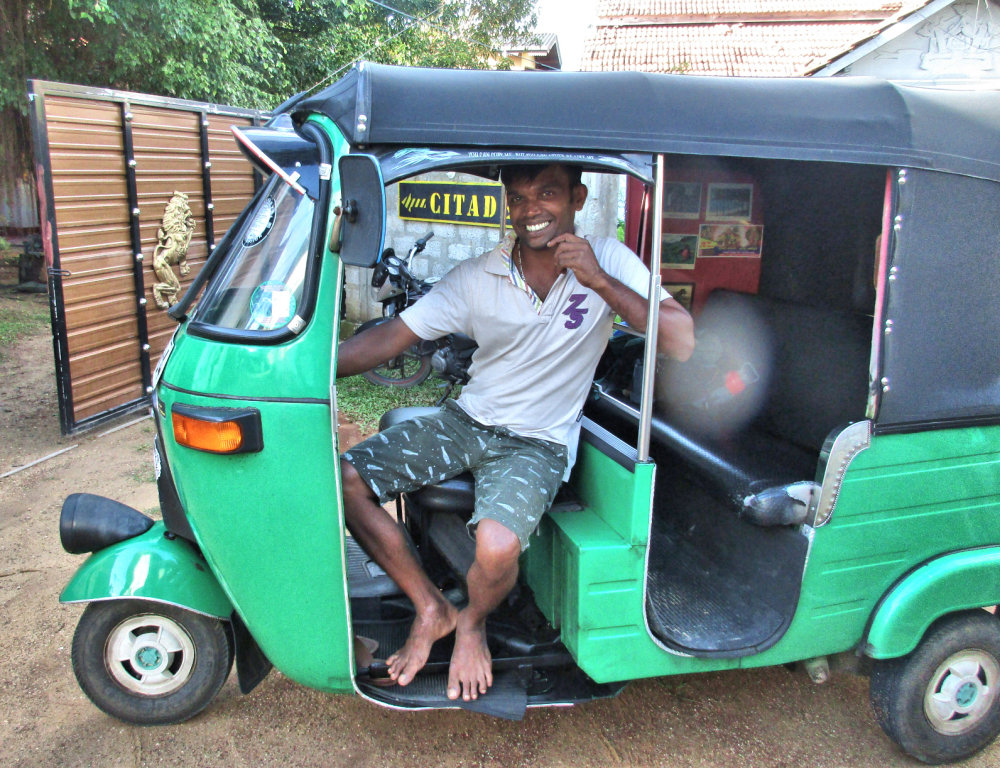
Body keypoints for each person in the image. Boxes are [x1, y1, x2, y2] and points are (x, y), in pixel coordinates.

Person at [337, 164, 694, 702]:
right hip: (468, 421)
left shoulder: (611, 261)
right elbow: (393, 335)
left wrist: (599, 280)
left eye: (547, 193)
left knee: (499, 546)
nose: (531, 210)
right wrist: (303, 368)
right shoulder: (479, 275)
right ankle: (431, 607)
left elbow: (681, 340)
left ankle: (473, 623)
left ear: (577, 197)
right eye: (519, 197)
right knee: (346, 479)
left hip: (538, 441)